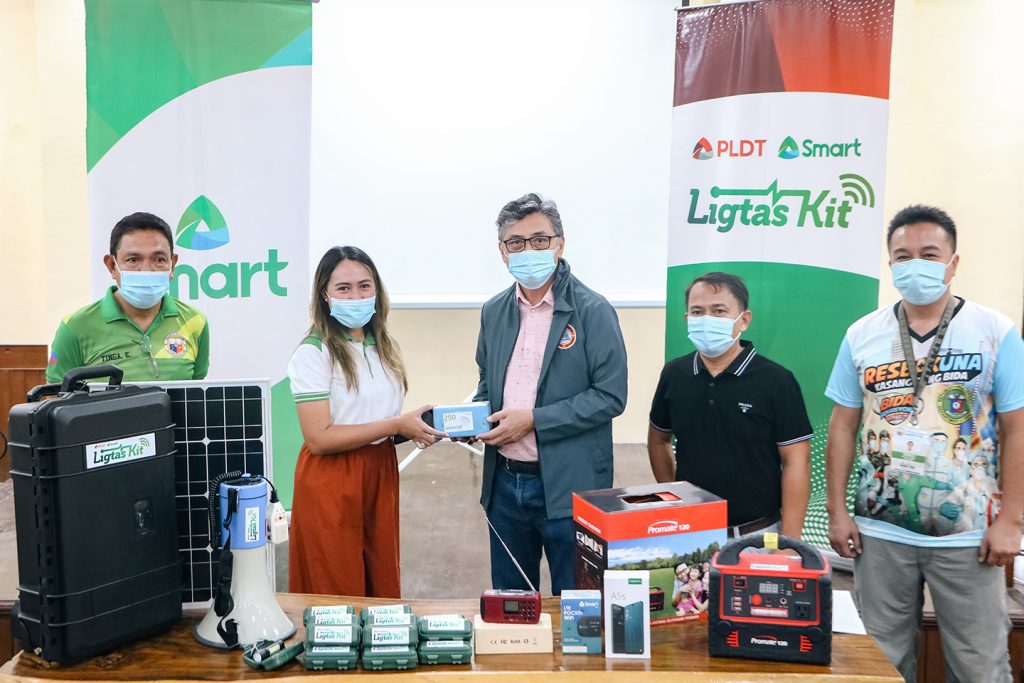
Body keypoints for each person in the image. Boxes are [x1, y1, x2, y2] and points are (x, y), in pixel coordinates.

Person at [825, 205, 1024, 682]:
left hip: (970, 535)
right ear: (891, 264)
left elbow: (1017, 429)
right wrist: (837, 512)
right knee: (880, 663)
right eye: (903, 256)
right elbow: (842, 427)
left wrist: (1012, 521)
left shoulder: (995, 332)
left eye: (929, 254)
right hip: (880, 532)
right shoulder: (861, 334)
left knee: (979, 665)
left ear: (953, 262)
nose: (916, 265)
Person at [472, 192, 627, 596]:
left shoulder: (592, 310)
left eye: (539, 240)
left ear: (559, 244)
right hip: (504, 484)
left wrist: (534, 421)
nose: (529, 250)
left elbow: (611, 395)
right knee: (511, 604)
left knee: (577, 607)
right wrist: (471, 417)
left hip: (567, 485)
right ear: (503, 252)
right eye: (516, 242)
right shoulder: (494, 311)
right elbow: (488, 381)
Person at [287, 246, 444, 597]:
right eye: (343, 288)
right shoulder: (313, 352)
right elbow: (319, 439)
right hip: (332, 478)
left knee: (380, 579)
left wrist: (413, 426)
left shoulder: (386, 346)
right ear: (325, 295)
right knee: (336, 587)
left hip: (380, 470)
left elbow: (376, 418)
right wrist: (396, 425)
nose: (356, 296)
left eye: (364, 286)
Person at [647, 272, 812, 544]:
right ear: (687, 319)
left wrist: (790, 542)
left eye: (719, 311)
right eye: (697, 312)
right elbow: (658, 439)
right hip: (692, 531)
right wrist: (675, 499)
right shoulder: (674, 374)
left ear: (743, 320)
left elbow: (796, 461)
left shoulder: (776, 380)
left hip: (758, 535)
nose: (707, 319)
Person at [46, 212, 209, 383]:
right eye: (133, 260)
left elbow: (196, 392)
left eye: (159, 259)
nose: (146, 270)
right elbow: (55, 394)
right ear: (112, 266)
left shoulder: (195, 321)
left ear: (172, 265)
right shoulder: (75, 327)